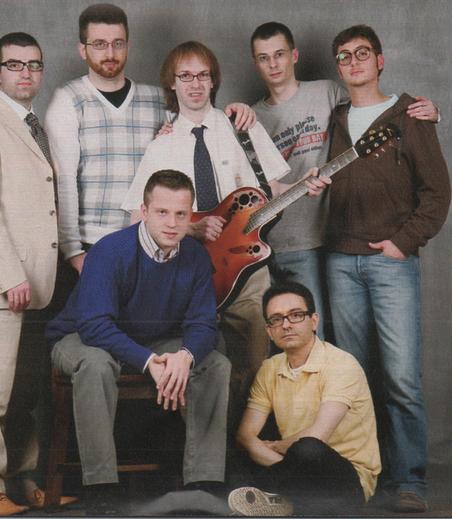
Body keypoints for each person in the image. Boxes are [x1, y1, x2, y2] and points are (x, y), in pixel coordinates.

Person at [122, 40, 328, 406]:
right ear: (172, 83)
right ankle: (207, 437)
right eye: (186, 76)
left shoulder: (241, 125)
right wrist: (189, 228)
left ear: (213, 80)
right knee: (197, 365)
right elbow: (138, 218)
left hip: (245, 264)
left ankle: (245, 434)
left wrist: (304, 184)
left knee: (256, 361)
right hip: (185, 269)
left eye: (203, 75)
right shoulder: (161, 145)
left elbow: (273, 189)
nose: (195, 84)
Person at [46, 170, 231, 512]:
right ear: (144, 212)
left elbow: (203, 323)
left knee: (214, 363)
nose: (172, 223)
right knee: (96, 365)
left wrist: (185, 356)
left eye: (181, 214)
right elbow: (94, 326)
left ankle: (203, 483)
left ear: (191, 216)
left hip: (151, 339)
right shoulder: (110, 250)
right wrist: (149, 362)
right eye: (162, 212)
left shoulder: (195, 256)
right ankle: (101, 488)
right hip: (81, 338)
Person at [326, 25, 450, 513]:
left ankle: (410, 480)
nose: (353, 62)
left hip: (390, 262)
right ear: (338, 67)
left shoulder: (410, 114)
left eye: (362, 53)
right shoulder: (336, 118)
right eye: (344, 56)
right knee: (353, 377)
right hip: (339, 260)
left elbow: (437, 193)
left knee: (401, 378)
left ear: (380, 60)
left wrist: (403, 243)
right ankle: (363, 472)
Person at [250, 22, 439, 339]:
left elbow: (374, 108)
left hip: (329, 241)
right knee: (294, 341)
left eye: (279, 54)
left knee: (333, 344)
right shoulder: (250, 118)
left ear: (294, 55)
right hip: (277, 244)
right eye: (263, 58)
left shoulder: (328, 93)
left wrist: (432, 112)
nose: (273, 64)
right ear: (255, 63)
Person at [0, 32, 75, 516]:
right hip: (2, 283)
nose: (26, 73)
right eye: (15, 65)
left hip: (39, 284)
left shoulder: (34, 126)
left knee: (23, 391)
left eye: (34, 65)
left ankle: (23, 482)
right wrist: (10, 276)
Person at [45, 3, 255, 276]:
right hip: (93, 244)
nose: (110, 53)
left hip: (151, 243)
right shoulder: (69, 100)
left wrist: (237, 111)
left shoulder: (157, 100)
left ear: (128, 46)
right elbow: (64, 182)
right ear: (82, 50)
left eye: (118, 43)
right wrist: (73, 251)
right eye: (99, 44)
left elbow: (201, 122)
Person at [227, 282, 380, 516]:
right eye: (276, 319)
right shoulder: (270, 368)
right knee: (235, 451)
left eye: (296, 315)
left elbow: (317, 436)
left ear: (314, 321)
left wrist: (275, 447)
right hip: (292, 466)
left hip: (345, 480)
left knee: (308, 449)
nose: (286, 324)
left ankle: (273, 495)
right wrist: (281, 461)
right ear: (269, 331)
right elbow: (245, 436)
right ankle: (283, 502)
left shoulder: (341, 364)